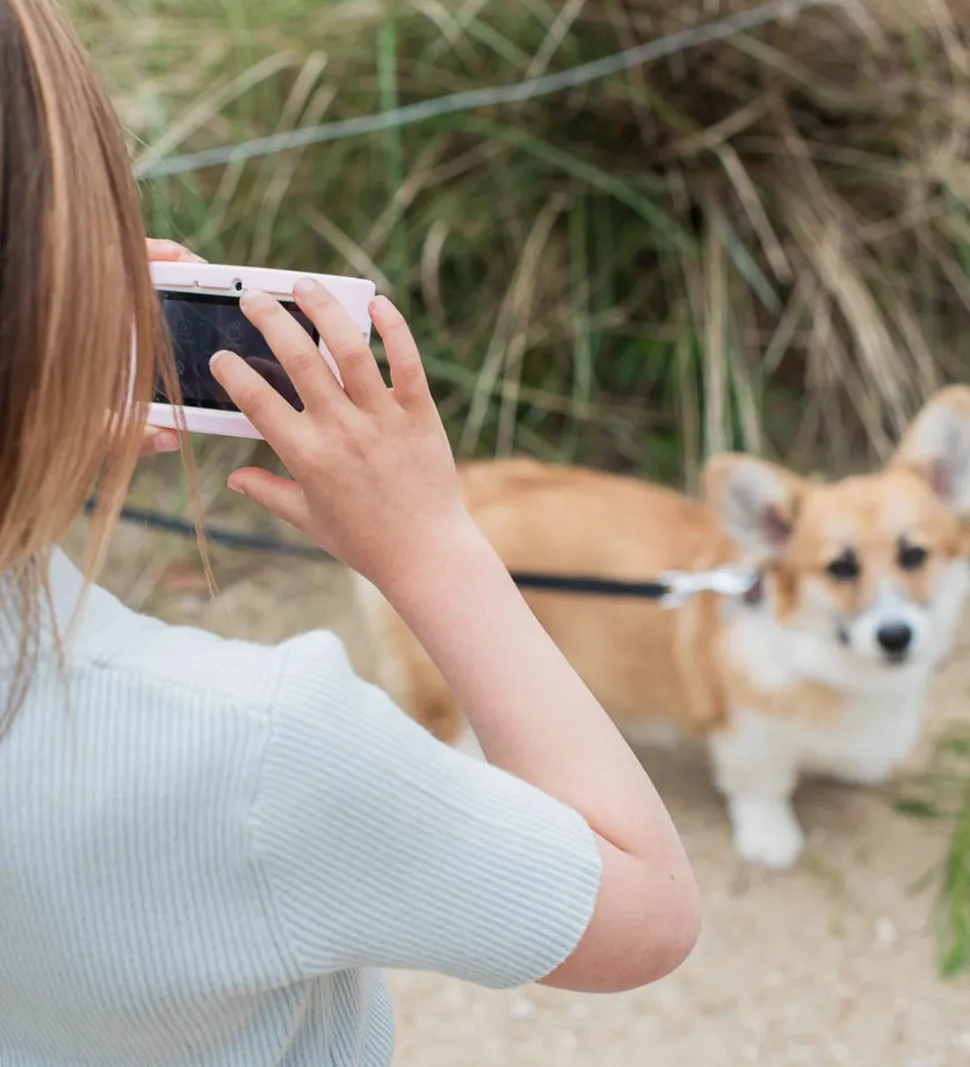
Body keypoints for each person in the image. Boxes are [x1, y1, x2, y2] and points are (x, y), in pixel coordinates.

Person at [0, 1, 700, 1065]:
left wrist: (34, 431)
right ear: (58, 295)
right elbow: (645, 910)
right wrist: (432, 548)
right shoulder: (259, 747)